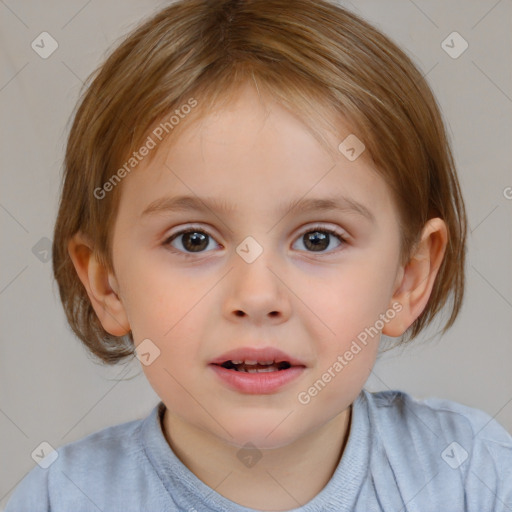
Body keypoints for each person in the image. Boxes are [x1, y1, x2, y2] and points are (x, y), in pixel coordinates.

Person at [6, 0, 512, 510]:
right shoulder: (61, 498)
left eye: (318, 239)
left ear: (408, 278)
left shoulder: (474, 477)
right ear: (107, 284)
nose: (257, 297)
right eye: (193, 240)